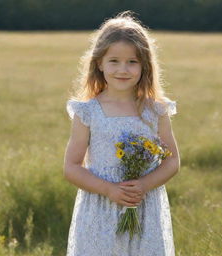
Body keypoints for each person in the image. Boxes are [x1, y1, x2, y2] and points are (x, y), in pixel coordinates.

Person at [64, 10, 180, 256]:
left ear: (144, 65)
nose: (123, 69)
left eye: (132, 62)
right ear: (99, 63)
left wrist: (144, 185)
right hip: (100, 209)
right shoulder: (88, 111)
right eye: (114, 61)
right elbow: (72, 167)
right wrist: (109, 190)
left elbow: (172, 160)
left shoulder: (155, 110)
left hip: (145, 208)